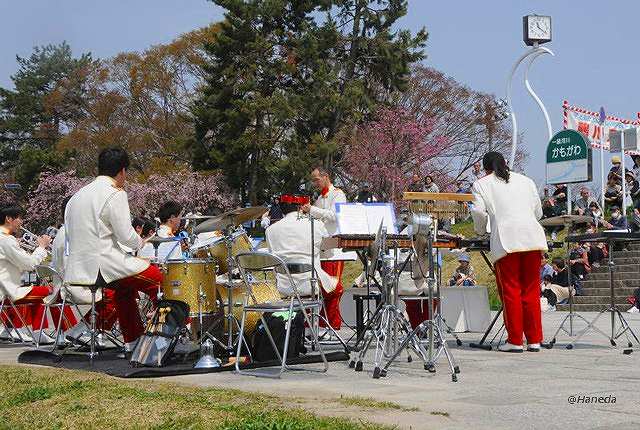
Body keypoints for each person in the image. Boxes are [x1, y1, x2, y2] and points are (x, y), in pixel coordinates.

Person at [64, 147, 162, 352]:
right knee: (164, 282)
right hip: (105, 264)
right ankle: (169, 338)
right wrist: (140, 242)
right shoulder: (114, 193)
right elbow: (126, 235)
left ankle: (133, 340)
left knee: (125, 290)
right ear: (122, 171)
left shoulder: (76, 197)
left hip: (79, 268)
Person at [470, 151, 547, 353]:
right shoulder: (526, 180)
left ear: (486, 168)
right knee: (531, 290)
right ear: (505, 163)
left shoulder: (481, 183)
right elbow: (538, 212)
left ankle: (514, 340)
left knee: (511, 290)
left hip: (507, 240)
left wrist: (480, 231)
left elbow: (478, 212)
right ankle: (534, 339)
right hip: (533, 237)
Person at [301, 166, 356, 332]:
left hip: (334, 249)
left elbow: (334, 216)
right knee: (320, 288)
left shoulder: (338, 194)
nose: (315, 183)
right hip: (322, 248)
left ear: (325, 177)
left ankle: (333, 324)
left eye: (316, 179)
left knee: (332, 287)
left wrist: (313, 210)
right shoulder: (319, 198)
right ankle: (322, 324)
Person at [0, 202, 55, 343]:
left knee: (35, 290)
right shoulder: (6, 240)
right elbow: (30, 264)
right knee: (48, 291)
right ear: (9, 219)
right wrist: (42, 247)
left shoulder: (6, 239)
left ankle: (12, 329)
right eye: (19, 218)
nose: (21, 222)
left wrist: (18, 248)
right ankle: (38, 332)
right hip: (7, 292)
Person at [265, 194, 336, 298]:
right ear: (301, 207)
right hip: (310, 284)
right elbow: (328, 251)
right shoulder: (316, 225)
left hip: (284, 286)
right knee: (335, 288)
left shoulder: (270, 230)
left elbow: (273, 259)